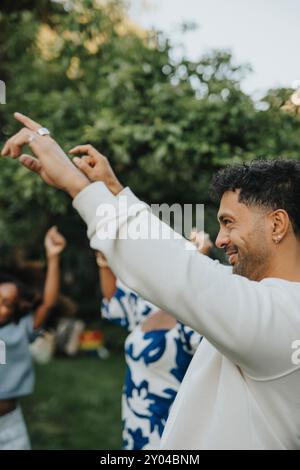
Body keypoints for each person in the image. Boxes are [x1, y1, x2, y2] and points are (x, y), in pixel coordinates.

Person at [2, 113, 300, 450]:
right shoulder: (268, 301)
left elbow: (178, 273)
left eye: (229, 223)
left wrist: (77, 185)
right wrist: (115, 192)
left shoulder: (285, 319)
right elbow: (180, 258)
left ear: (277, 225)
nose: (220, 240)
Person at [96, 238, 204, 449]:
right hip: (134, 419)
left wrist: (199, 256)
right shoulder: (149, 307)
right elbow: (114, 304)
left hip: (168, 423)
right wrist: (104, 260)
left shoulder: (194, 322)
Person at [0, 226, 66, 450]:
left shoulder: (22, 327)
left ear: (17, 308)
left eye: (6, 303)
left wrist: (53, 257)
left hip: (10, 425)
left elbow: (49, 303)